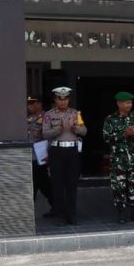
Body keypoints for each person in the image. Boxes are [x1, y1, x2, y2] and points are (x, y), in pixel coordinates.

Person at [42, 86, 87, 226]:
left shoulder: (75, 113)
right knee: (58, 184)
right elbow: (45, 134)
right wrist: (59, 128)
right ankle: (61, 215)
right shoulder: (49, 115)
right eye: (59, 99)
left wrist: (75, 127)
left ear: (69, 99)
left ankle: (72, 215)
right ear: (55, 100)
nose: (63, 102)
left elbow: (84, 131)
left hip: (72, 150)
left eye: (65, 99)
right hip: (57, 150)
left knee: (72, 184)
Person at [103, 92, 134, 224]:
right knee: (119, 187)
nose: (129, 105)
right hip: (118, 161)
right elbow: (106, 138)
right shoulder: (110, 119)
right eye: (127, 103)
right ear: (119, 103)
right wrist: (124, 134)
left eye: (130, 103)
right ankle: (122, 214)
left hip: (133, 160)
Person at [27, 95, 54, 218]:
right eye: (28, 103)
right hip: (29, 156)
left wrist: (48, 153)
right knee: (44, 184)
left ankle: (28, 212)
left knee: (34, 184)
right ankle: (58, 206)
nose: (30, 106)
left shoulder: (46, 117)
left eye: (33, 103)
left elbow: (50, 138)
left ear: (39, 104)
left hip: (40, 156)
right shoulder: (28, 118)